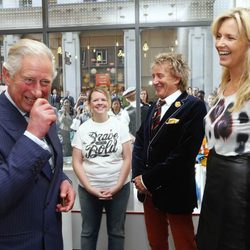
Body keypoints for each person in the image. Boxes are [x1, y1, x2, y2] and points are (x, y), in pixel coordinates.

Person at [0, 38, 75, 249]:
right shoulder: (38, 116)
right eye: (29, 80)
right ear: (6, 75)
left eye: (45, 83)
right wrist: (32, 135)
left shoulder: (42, 110)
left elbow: (47, 163)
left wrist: (62, 179)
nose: (37, 92)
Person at [132, 52, 207, 250]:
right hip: (148, 193)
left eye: (160, 76)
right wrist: (139, 177)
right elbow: (140, 142)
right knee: (156, 244)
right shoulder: (155, 107)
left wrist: (148, 179)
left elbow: (183, 155)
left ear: (177, 77)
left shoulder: (194, 107)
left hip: (175, 192)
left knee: (185, 245)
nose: (154, 81)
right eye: (153, 76)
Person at [197, 7, 250, 250]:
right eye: (218, 36)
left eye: (229, 37)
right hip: (216, 183)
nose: (220, 43)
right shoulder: (224, 85)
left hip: (242, 190)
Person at [72, 87, 132, 250]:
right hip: (88, 190)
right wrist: (90, 188)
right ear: (89, 104)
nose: (99, 103)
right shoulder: (83, 129)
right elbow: (76, 162)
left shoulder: (120, 126)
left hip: (119, 189)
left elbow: (127, 158)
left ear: (109, 103)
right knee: (88, 233)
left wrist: (117, 186)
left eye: (103, 99)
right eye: (95, 100)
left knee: (116, 233)